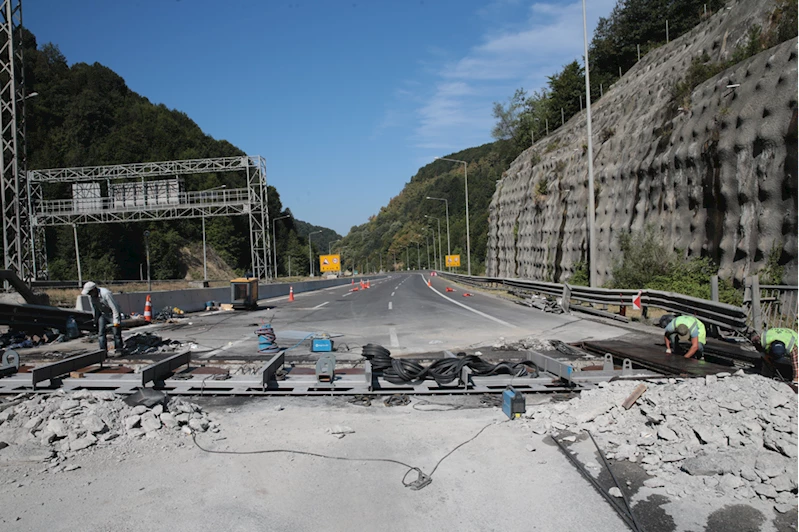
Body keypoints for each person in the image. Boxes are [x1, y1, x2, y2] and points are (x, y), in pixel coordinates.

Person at [81, 281, 124, 354]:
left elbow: (114, 308)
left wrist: (116, 320)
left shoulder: (106, 293)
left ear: (94, 290)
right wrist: (95, 319)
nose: (89, 294)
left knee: (116, 333)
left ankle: (119, 350)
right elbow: (95, 308)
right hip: (103, 314)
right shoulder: (91, 296)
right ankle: (103, 352)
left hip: (112, 313)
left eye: (89, 292)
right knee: (101, 333)